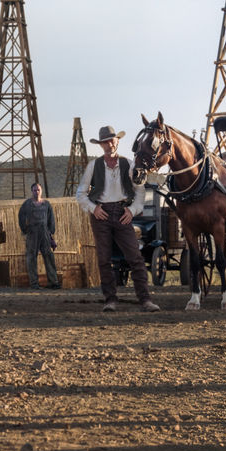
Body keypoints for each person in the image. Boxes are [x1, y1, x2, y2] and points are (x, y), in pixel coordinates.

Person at [75, 125, 159, 312]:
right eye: (105, 142)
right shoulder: (93, 166)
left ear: (117, 141)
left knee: (135, 257)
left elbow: (140, 191)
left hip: (122, 213)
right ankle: (110, 300)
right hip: (101, 214)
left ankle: (145, 300)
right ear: (101, 145)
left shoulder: (129, 164)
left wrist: (132, 210)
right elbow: (80, 193)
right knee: (104, 259)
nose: (109, 145)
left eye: (112, 141)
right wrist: (93, 208)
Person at [18, 182, 61, 289]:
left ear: (41, 191)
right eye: (34, 190)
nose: (36, 192)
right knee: (31, 257)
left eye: (38, 190)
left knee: (48, 256)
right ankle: (34, 283)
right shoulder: (27, 204)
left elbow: (51, 218)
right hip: (32, 233)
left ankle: (53, 282)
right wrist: (25, 229)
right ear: (31, 191)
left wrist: (50, 231)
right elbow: (21, 216)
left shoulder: (46, 204)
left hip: (44, 232)